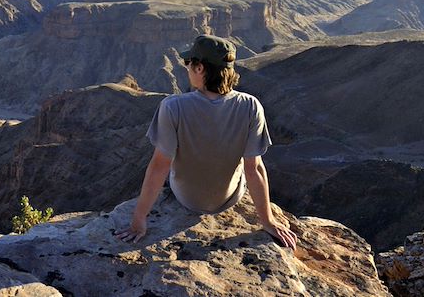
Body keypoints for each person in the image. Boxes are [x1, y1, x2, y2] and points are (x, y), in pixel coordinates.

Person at [115, 34, 297, 249]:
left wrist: (138, 219)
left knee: (169, 161)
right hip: (230, 198)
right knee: (243, 162)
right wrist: (267, 221)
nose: (186, 68)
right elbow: (254, 168)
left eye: (188, 63)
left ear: (200, 68)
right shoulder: (251, 105)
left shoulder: (172, 106)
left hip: (187, 199)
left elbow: (159, 166)